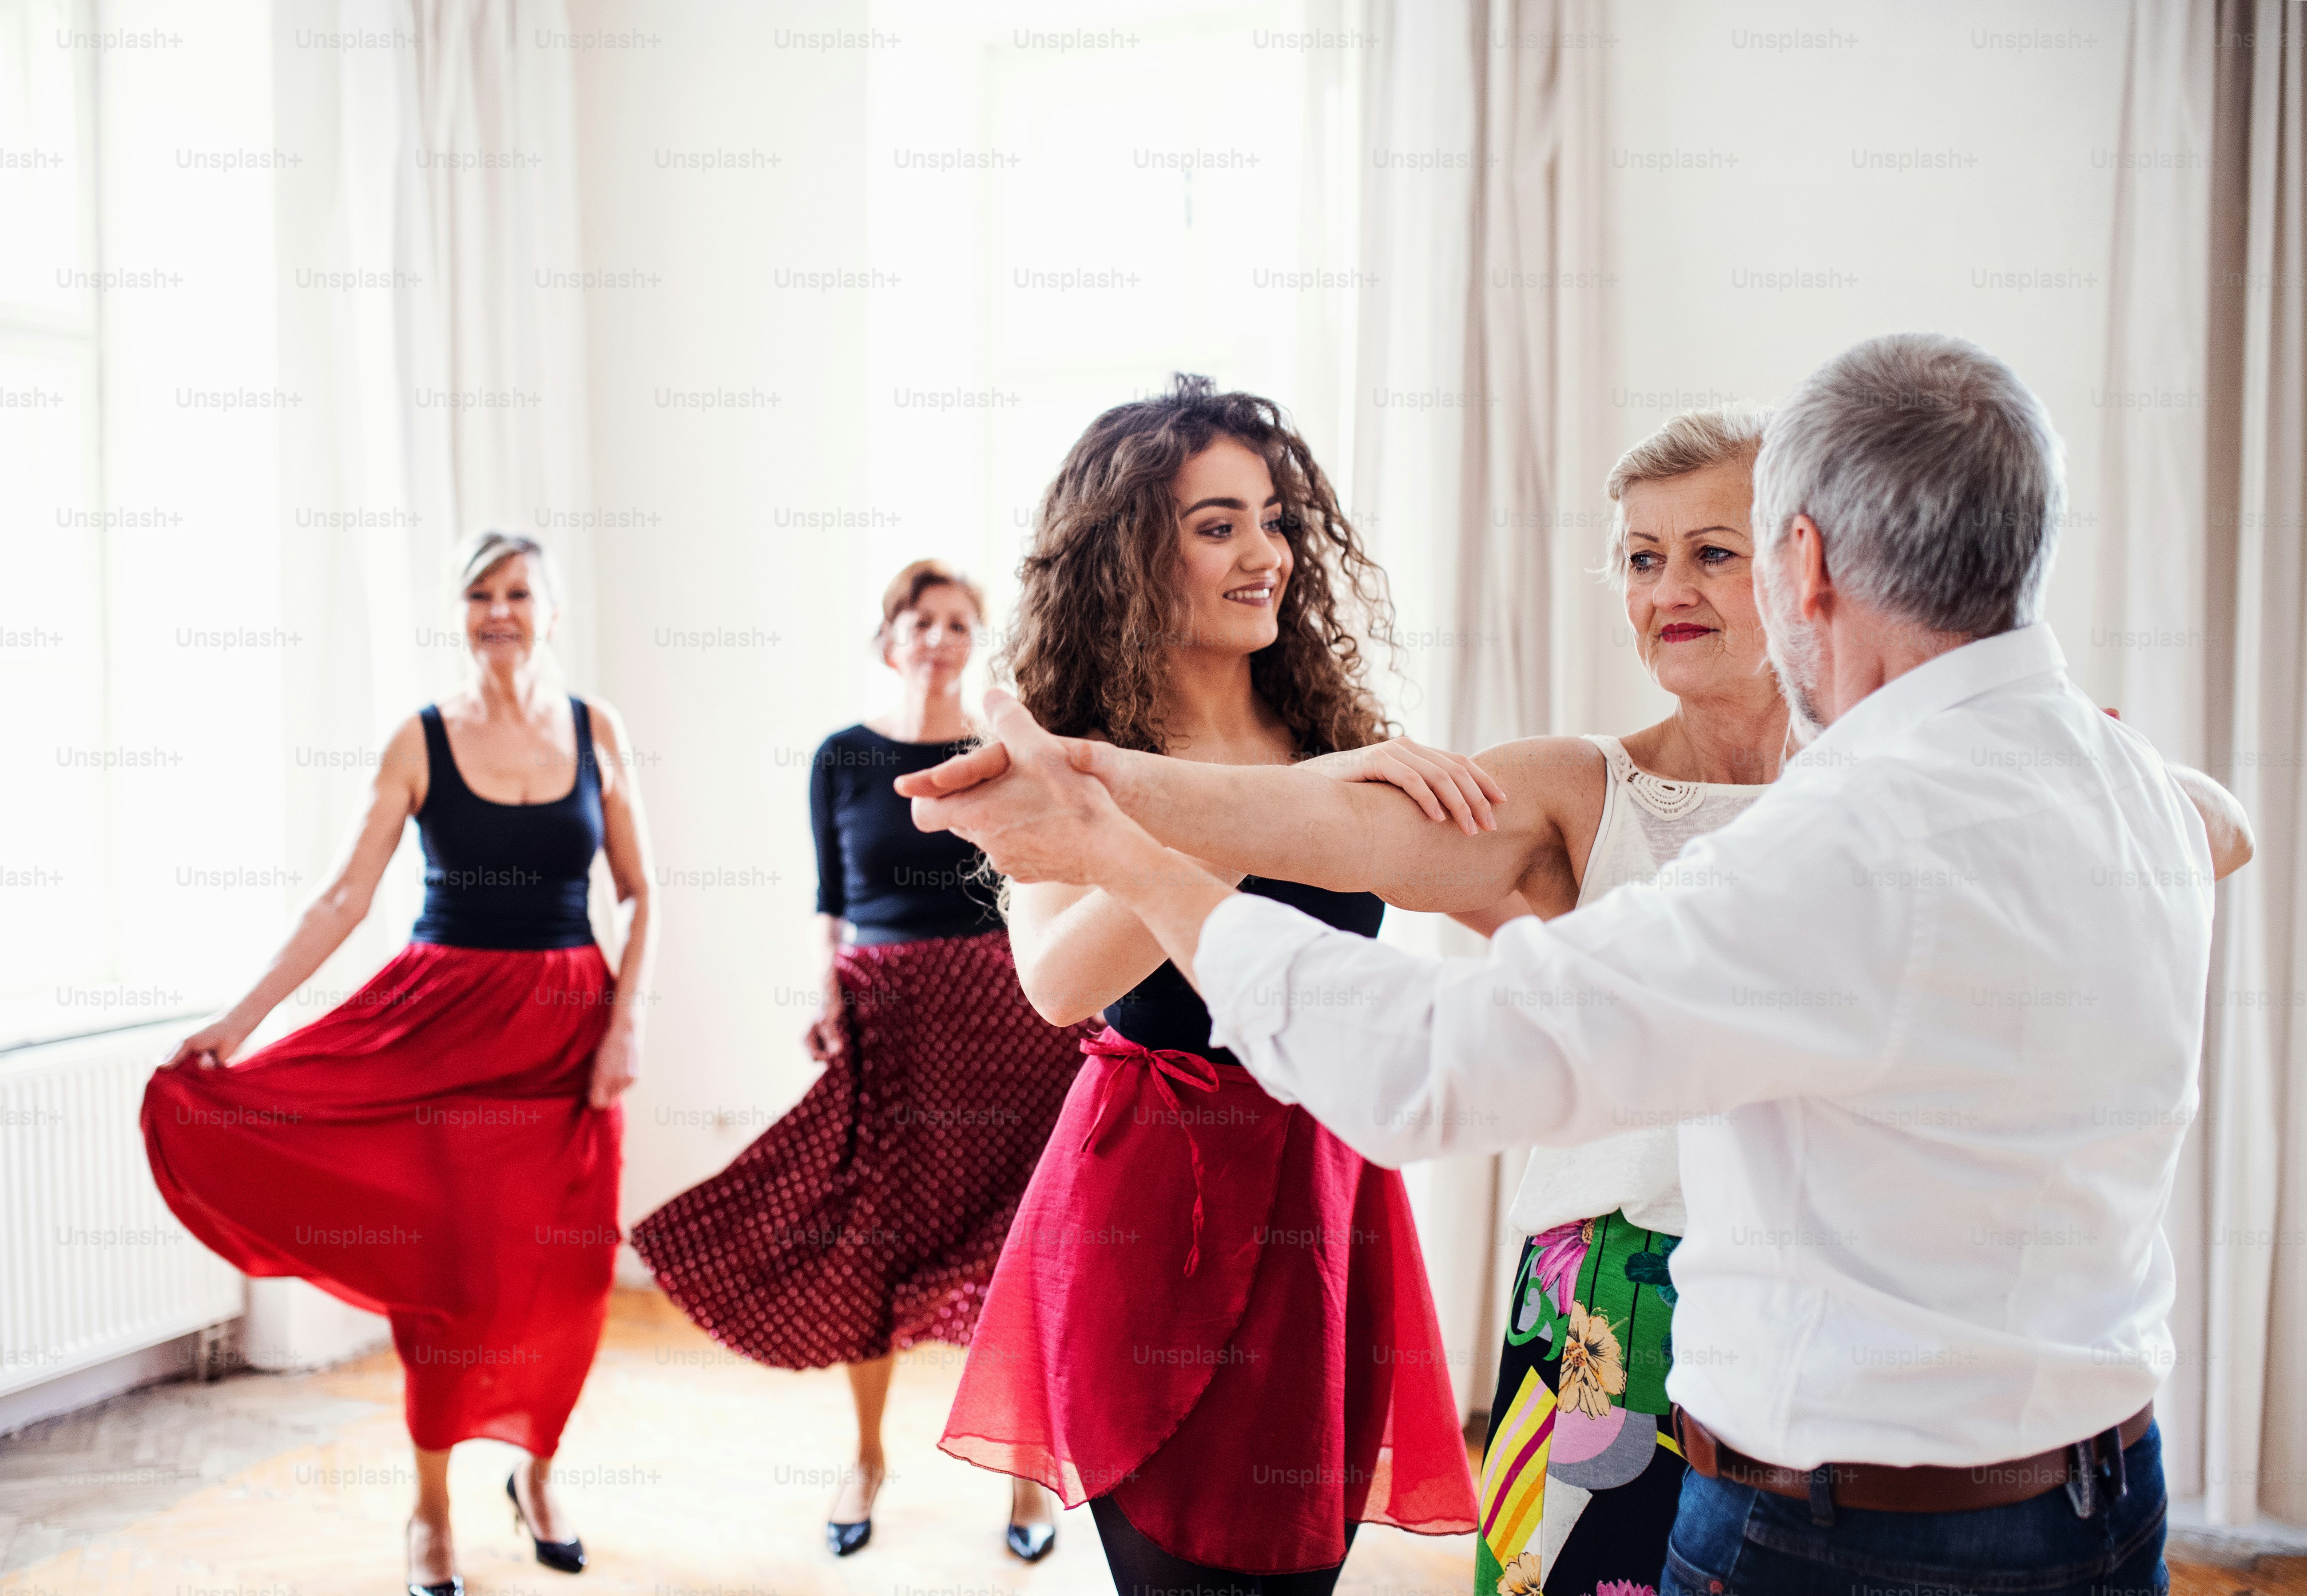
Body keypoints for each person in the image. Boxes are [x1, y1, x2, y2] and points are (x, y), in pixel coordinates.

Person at [903, 333, 2254, 1596]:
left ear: (1799, 564)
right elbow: (2222, 827)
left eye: (1716, 553)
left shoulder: (1826, 844)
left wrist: (1114, 828)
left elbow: (1433, 1062)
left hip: (1839, 1509)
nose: (1672, 590)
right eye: (1641, 558)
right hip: (2100, 1491)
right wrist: (1123, 787)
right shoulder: (2115, 783)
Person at [930, 376, 1481, 1594]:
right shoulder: (1072, 754)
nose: (1266, 554)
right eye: (1217, 525)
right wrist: (1266, 810)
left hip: (1328, 1201)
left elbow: (1501, 896)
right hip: (1155, 1214)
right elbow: (1056, 983)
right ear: (1131, 555)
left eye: (1274, 521)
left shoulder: (1336, 736)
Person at [143, 532, 655, 1596]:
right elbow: (343, 897)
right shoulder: (418, 740)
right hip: (447, 1036)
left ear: (551, 611)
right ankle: (430, 1511)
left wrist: (626, 1024)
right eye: (480, 594)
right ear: (459, 613)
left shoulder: (597, 728)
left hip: (570, 1040)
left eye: (519, 592)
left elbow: (642, 891)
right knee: (453, 1285)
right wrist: (239, 1021)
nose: (500, 610)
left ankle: (538, 1476)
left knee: (566, 1278)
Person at [627, 560, 1090, 1563]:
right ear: (890, 639)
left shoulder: (1003, 751)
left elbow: (1049, 881)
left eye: (958, 622)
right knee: (872, 1237)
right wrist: (825, 988)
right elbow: (829, 900)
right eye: (921, 621)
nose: (939, 638)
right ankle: (869, 1457)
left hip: (1004, 1020)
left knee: (1018, 1244)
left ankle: (1026, 1469)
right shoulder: (842, 757)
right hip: (890, 1018)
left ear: (975, 641)